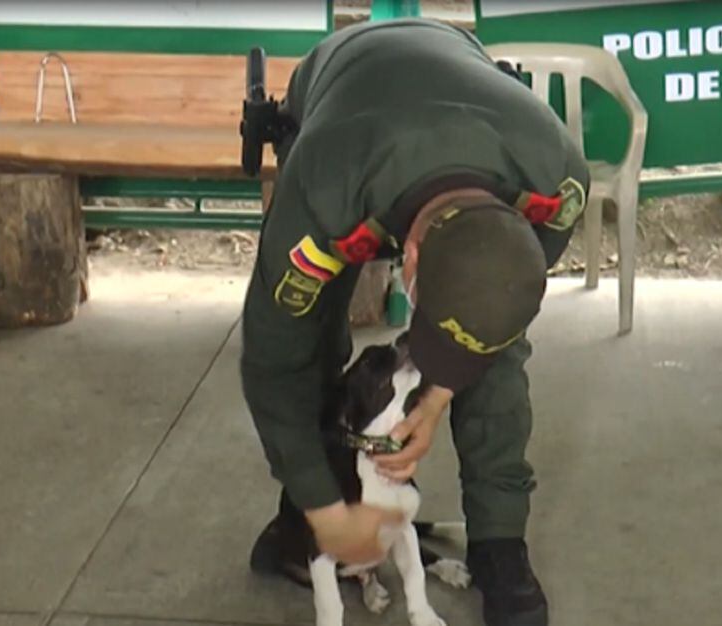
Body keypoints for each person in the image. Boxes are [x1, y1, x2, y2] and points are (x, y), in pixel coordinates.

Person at [240, 17, 589, 626]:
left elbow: (500, 312)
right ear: (412, 259)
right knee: (316, 343)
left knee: (496, 345)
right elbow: (275, 365)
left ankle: (500, 543)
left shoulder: (557, 181)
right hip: (343, 97)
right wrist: (325, 509)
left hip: (458, 87)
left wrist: (439, 395)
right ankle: (302, 516)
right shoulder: (324, 196)